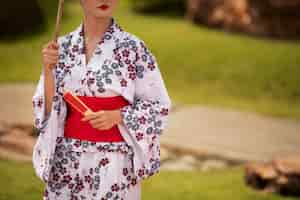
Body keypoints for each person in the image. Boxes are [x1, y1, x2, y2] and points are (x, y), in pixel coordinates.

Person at [31, 0, 172, 199]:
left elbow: (159, 107)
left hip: (113, 164)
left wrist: (118, 116)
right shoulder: (62, 47)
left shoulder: (133, 48)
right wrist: (48, 70)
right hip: (67, 161)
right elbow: (47, 111)